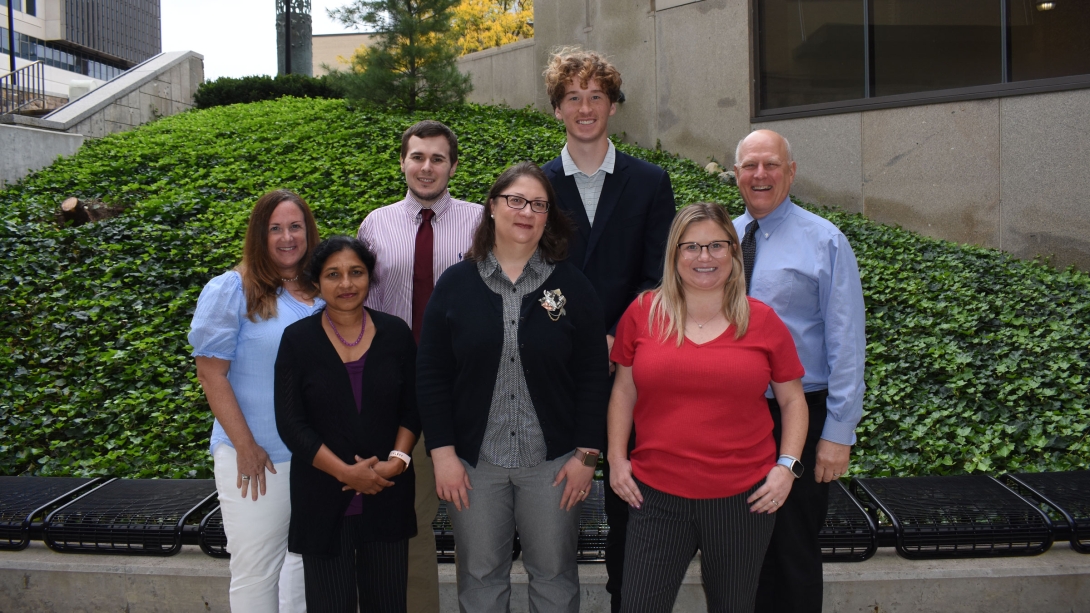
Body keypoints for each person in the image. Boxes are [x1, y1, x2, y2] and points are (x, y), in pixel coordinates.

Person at [416, 162, 611, 613]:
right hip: (473, 464)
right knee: (480, 577)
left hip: (554, 463)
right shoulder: (455, 283)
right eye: (516, 200)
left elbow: (591, 376)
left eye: (538, 204)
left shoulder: (572, 286)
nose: (526, 212)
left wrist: (586, 455)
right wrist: (442, 453)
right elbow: (431, 374)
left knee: (555, 575)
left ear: (548, 217)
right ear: (492, 206)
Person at [607, 202, 809, 613]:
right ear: (674, 254)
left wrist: (787, 467)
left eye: (717, 245)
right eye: (692, 247)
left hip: (743, 500)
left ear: (734, 254)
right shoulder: (643, 313)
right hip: (656, 496)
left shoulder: (763, 321)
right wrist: (615, 459)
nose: (704, 257)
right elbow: (624, 392)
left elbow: (792, 400)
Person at [540, 48, 677, 613]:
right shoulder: (538, 185)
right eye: (573, 96)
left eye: (596, 95)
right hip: (560, 368)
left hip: (634, 366)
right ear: (557, 110)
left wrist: (618, 337)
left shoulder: (649, 182)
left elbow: (659, 275)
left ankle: (632, 598)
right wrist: (576, 333)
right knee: (556, 499)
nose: (585, 106)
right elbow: (535, 276)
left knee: (633, 495)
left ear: (614, 106)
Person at [732, 129, 867, 613]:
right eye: (750, 166)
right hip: (731, 417)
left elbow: (846, 344)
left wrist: (838, 433)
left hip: (799, 417)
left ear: (791, 173)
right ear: (736, 174)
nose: (760, 175)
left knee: (792, 550)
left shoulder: (824, 241)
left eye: (771, 165)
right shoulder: (719, 241)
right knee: (738, 547)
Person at [356, 120, 482, 613]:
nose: (426, 167)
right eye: (417, 157)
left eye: (437, 158)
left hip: (468, 389)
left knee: (479, 519)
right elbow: (360, 306)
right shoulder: (375, 224)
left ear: (452, 165)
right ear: (403, 162)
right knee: (409, 519)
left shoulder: (481, 222)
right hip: (400, 392)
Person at [189, 189, 321, 612]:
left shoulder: (323, 290)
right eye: (275, 228)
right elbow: (211, 374)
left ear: (308, 231)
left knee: (303, 571)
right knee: (256, 573)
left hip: (316, 459)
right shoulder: (232, 288)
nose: (287, 237)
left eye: (295, 226)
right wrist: (245, 446)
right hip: (259, 460)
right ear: (258, 234)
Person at [274, 236, 420, 613]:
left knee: (388, 604)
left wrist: (397, 461)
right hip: (322, 496)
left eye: (356, 273)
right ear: (317, 283)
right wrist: (347, 474)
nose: (346, 284)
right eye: (333, 275)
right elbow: (291, 424)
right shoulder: (297, 340)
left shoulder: (396, 333)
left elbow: (414, 407)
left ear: (370, 278)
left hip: (387, 491)